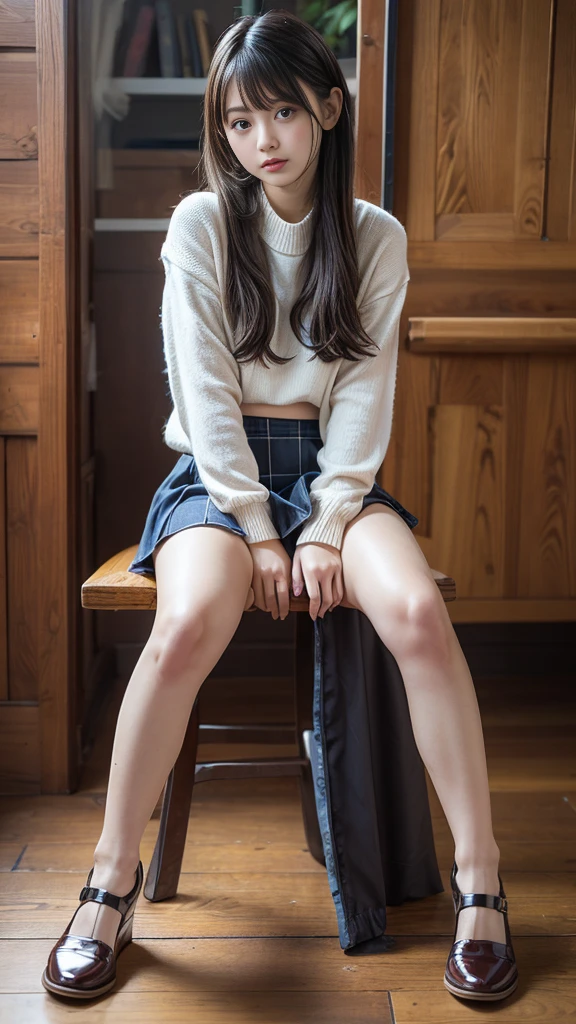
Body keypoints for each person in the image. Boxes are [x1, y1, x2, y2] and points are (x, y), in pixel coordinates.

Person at [42, 9, 518, 1003]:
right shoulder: (202, 225)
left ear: (329, 111)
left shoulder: (374, 237)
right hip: (220, 478)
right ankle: (107, 881)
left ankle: (483, 884)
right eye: (239, 121)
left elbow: (362, 399)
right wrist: (259, 529)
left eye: (281, 116)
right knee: (183, 626)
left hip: (330, 469)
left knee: (420, 612)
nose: (261, 142)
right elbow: (206, 397)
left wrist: (330, 521)